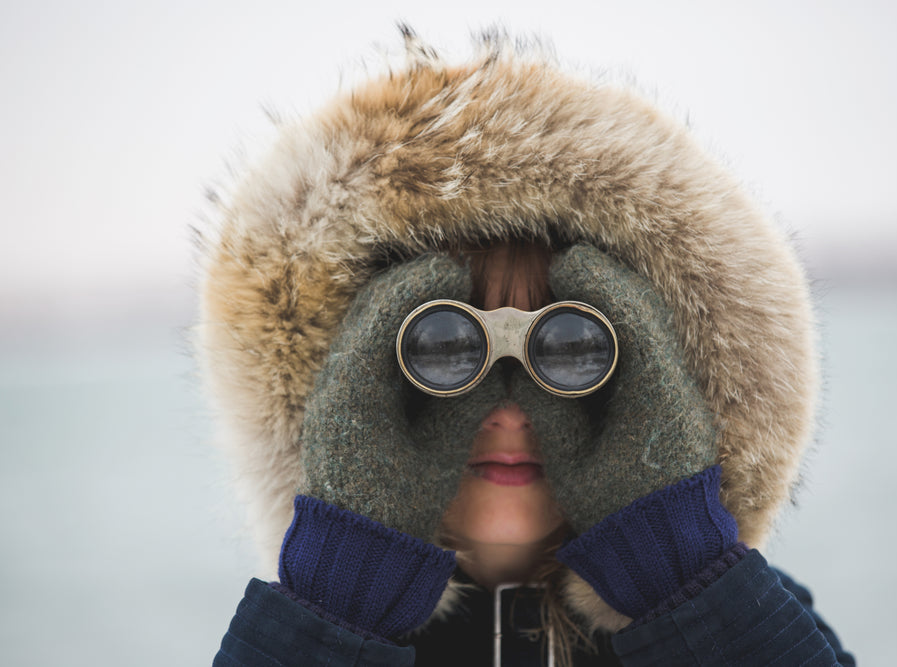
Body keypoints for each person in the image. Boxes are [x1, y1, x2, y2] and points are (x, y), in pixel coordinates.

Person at [198, 30, 855, 666]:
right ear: (350, 383)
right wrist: (339, 594)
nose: (509, 413)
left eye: (568, 347)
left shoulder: (759, 626)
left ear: (661, 380)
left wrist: (677, 567)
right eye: (447, 346)